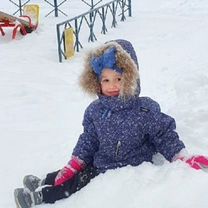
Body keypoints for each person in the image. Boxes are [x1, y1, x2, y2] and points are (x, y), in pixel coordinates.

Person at [14, 39, 208, 208]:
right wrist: (75, 163)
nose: (112, 85)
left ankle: (40, 196)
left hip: (121, 167)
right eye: (106, 80)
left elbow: (164, 134)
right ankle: (44, 180)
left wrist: (181, 157)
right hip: (100, 158)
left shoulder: (145, 110)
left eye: (119, 79)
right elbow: (88, 139)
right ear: (97, 82)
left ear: (131, 78)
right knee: (72, 172)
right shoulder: (95, 110)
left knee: (75, 183)